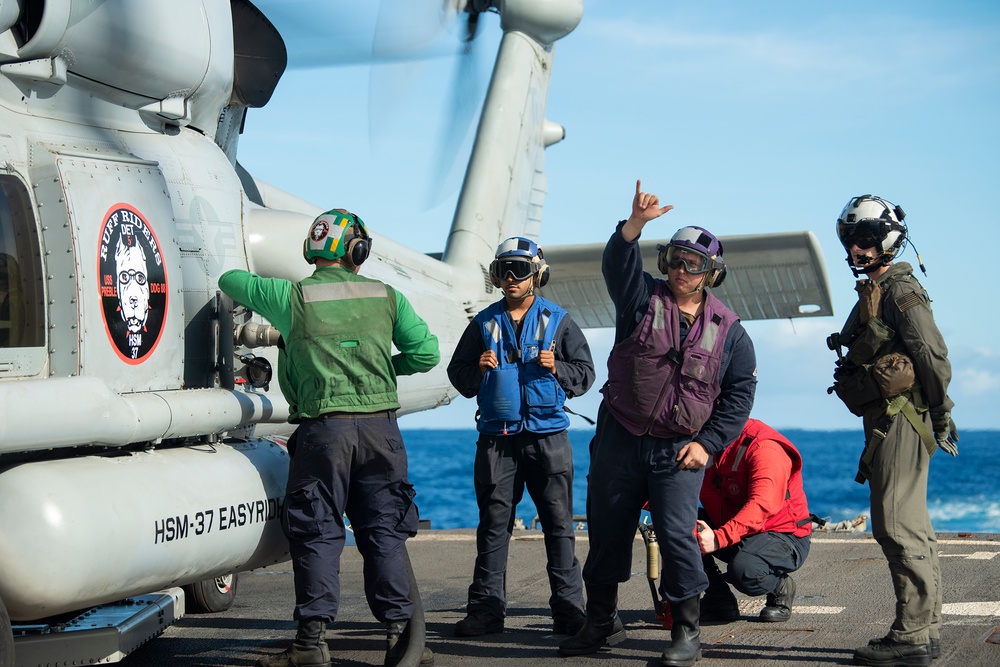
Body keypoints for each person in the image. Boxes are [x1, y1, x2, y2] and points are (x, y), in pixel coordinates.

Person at [219, 209, 440, 667]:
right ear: (358, 251)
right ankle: (401, 641)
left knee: (318, 531)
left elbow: (230, 278)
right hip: (381, 428)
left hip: (324, 433)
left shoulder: (291, 297)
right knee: (383, 530)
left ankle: (311, 644)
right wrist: (379, 372)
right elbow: (426, 353)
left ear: (311, 249)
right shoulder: (386, 295)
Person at [559, 181, 756, 667]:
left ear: (711, 273)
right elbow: (617, 264)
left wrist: (708, 444)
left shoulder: (731, 332)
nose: (680, 270)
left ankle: (687, 632)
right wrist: (634, 227)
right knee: (607, 531)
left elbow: (738, 395)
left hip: (678, 451)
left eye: (692, 264)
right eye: (673, 259)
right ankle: (601, 623)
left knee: (676, 537)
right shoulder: (640, 299)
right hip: (619, 440)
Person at [827, 195, 956, 667]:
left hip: (902, 417)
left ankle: (914, 635)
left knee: (897, 524)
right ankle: (925, 630)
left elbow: (933, 355)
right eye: (851, 239)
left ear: (885, 240)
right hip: (890, 418)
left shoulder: (901, 291)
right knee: (909, 524)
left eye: (864, 239)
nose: (857, 249)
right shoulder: (878, 288)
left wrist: (941, 413)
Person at [447, 237, 595, 638]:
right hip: (498, 440)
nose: (510, 278)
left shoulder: (558, 321)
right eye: (503, 271)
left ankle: (569, 611)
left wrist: (558, 367)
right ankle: (486, 611)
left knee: (558, 524)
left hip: (548, 439)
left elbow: (585, 375)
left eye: (519, 270)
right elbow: (458, 377)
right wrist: (477, 368)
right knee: (493, 525)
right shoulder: (483, 324)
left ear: (537, 275)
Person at [693, 418, 812, 625]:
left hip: (783, 536)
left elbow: (762, 505)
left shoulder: (764, 447)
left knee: (746, 571)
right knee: (677, 525)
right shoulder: (702, 443)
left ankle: (780, 586)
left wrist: (719, 538)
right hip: (735, 529)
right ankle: (718, 599)